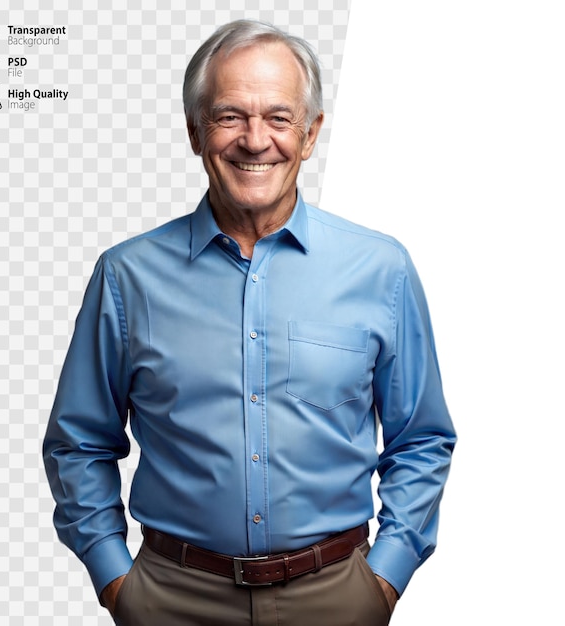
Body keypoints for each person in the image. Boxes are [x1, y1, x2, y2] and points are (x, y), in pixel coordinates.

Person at [43, 19, 456, 625]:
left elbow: (421, 439)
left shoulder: (381, 269)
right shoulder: (126, 277)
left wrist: (383, 580)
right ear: (194, 132)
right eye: (229, 116)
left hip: (335, 598)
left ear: (311, 134)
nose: (254, 140)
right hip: (171, 599)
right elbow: (78, 443)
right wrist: (116, 580)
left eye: (279, 118)